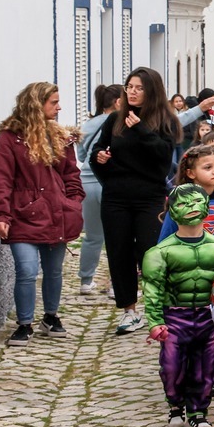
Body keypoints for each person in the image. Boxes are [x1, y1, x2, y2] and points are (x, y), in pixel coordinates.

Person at [0, 82, 85, 343]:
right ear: (36, 103)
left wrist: (73, 201)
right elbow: (1, 179)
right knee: (27, 270)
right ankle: (24, 323)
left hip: (56, 214)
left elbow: (71, 174)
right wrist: (2, 214)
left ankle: (51, 316)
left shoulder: (59, 137)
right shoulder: (10, 139)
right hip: (22, 215)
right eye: (53, 102)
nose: (59, 107)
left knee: (54, 270)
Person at [141, 184, 214, 427]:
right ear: (172, 210)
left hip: (208, 318)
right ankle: (175, 404)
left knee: (205, 368)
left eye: (197, 202)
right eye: (183, 204)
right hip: (175, 317)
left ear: (207, 207)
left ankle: (198, 412)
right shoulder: (160, 252)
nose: (191, 208)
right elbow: (153, 290)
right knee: (172, 366)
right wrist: (155, 322)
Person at [92, 68, 182, 335]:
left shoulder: (165, 120)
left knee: (149, 253)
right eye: (129, 86)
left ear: (151, 90)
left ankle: (156, 308)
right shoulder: (115, 120)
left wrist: (141, 129)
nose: (132, 92)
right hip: (116, 196)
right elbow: (97, 148)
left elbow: (163, 158)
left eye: (138, 88)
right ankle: (129, 311)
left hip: (149, 197)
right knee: (118, 252)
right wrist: (100, 157)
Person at [76, 83, 123, 299]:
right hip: (110, 181)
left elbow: (81, 154)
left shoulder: (89, 123)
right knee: (119, 235)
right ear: (118, 102)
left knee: (93, 236)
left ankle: (86, 281)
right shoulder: (121, 122)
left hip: (87, 180)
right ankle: (116, 284)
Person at [160, 145, 214, 254]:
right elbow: (164, 244)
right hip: (185, 266)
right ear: (191, 173)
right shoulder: (180, 204)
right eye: (208, 167)